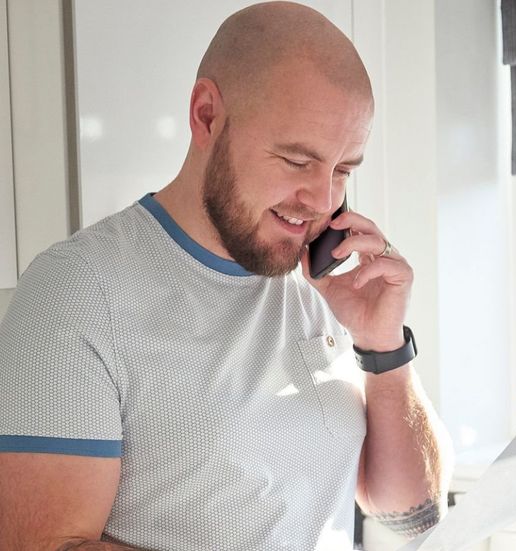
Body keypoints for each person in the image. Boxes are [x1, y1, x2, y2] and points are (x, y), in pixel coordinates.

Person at [0, 2, 450, 549]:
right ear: (206, 115)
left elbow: (411, 517)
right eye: (296, 160)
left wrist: (382, 350)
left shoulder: (319, 289)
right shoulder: (76, 294)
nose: (323, 199)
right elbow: (46, 545)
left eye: (344, 169)